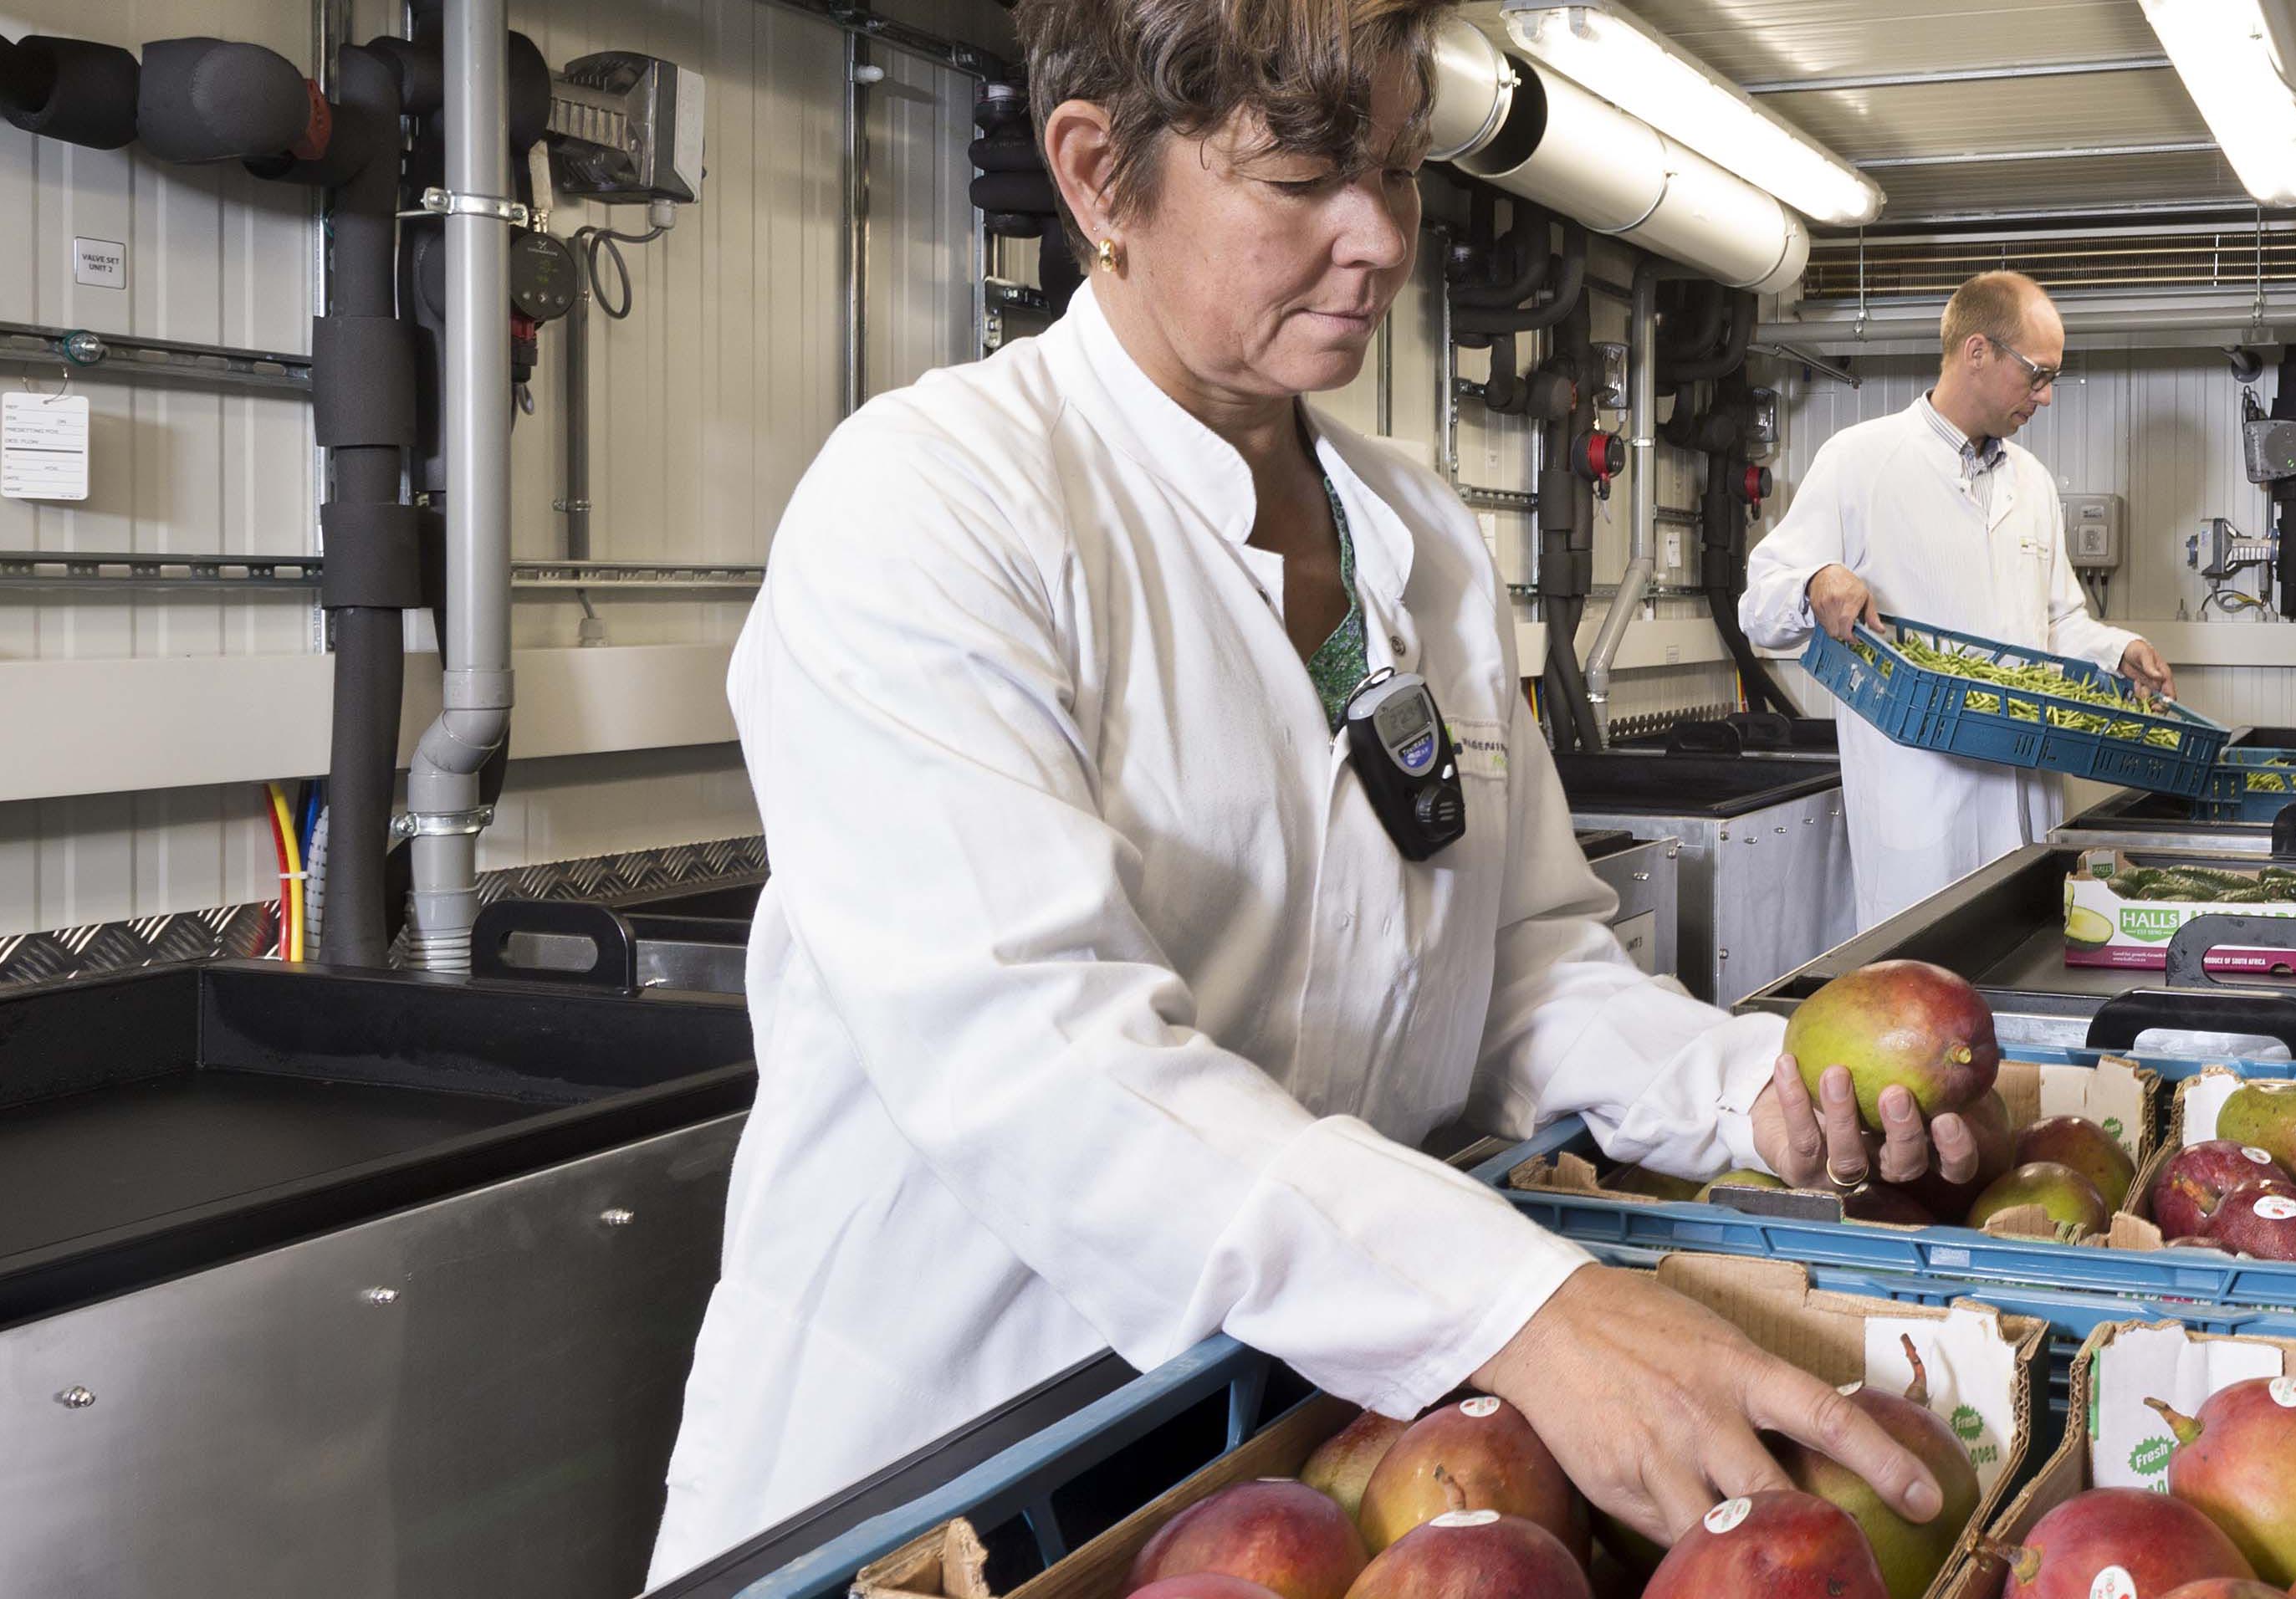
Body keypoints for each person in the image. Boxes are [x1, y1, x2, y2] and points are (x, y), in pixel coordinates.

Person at [645, 0, 1981, 1580]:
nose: (1378, 241)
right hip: (955, 1463)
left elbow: (1522, 963)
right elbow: (1041, 1056)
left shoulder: (1410, 535)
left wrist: (1744, 1091)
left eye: (1402, 173)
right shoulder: (934, 507)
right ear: (1096, 175)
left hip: (1292, 1441)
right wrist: (1518, 1303)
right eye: (1300, 179)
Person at [1739, 273, 2176, 928]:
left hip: (2026, 803)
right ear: (1977, 352)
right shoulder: (1860, 460)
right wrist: (1814, 584)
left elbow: (2058, 623)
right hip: (1918, 811)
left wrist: (2119, 650)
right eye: (2036, 375)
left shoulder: (2032, 483)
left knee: (2021, 971)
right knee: (1918, 1001)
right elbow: (1760, 604)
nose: (2047, 396)